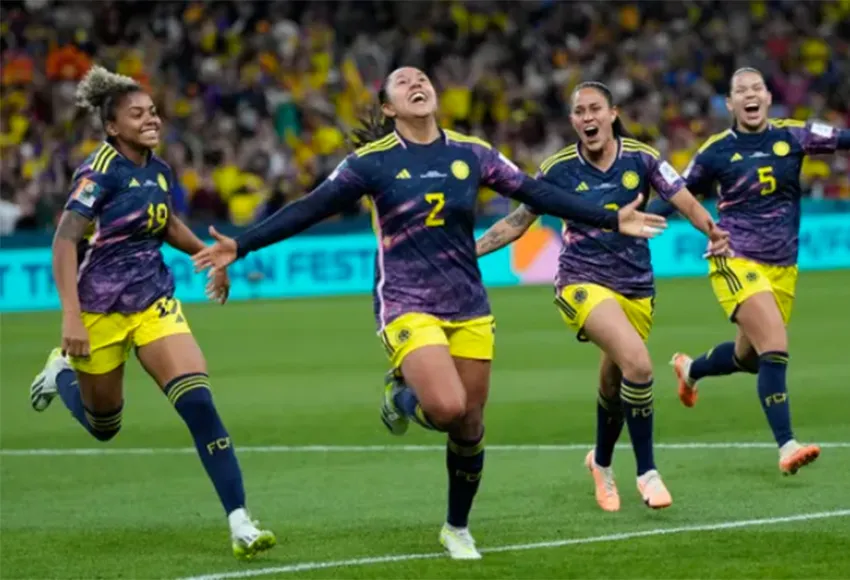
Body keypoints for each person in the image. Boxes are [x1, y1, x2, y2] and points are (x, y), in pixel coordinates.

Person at [192, 67, 667, 559]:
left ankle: (456, 528)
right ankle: (400, 398)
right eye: (403, 83)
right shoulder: (371, 162)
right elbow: (309, 208)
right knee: (445, 407)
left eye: (422, 78)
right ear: (389, 108)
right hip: (406, 301)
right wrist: (241, 245)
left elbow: (536, 193)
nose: (417, 84)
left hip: (468, 303)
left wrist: (611, 217)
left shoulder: (472, 152)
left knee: (471, 425)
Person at [28, 66, 276, 560]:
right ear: (112, 126)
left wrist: (208, 256)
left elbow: (165, 222)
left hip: (154, 301)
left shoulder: (159, 170)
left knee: (199, 403)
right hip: (99, 308)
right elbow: (64, 241)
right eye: (137, 114)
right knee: (105, 426)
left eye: (153, 111)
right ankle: (61, 374)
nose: (151, 119)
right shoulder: (98, 171)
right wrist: (71, 318)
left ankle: (240, 522)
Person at [473, 81, 730, 512]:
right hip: (581, 282)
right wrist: (471, 251)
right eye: (580, 112)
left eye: (595, 109)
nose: (587, 118)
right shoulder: (557, 168)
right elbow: (518, 221)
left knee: (614, 384)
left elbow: (684, 199)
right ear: (573, 121)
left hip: (636, 287)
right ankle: (647, 472)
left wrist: (713, 230)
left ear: (613, 113)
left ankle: (602, 464)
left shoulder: (642, 158)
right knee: (640, 365)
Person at [662, 68, 850, 475]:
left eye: (756, 88)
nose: (750, 95)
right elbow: (676, 192)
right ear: (730, 104)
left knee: (749, 357)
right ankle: (787, 446)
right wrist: (630, 219)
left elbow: (842, 138)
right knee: (775, 346)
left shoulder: (794, 135)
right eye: (740, 91)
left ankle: (691, 369)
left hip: (783, 267)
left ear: (767, 97)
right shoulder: (715, 151)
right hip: (735, 258)